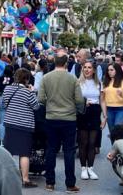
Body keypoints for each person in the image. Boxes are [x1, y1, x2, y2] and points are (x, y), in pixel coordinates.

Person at [38, 51, 85, 193]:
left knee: (51, 149)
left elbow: (40, 99)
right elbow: (79, 100)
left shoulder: (46, 78)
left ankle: (50, 182)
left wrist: (50, 104)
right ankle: (70, 184)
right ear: (66, 63)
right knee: (69, 151)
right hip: (69, 118)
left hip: (51, 117)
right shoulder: (73, 79)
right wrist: (76, 109)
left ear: (54, 63)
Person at [3, 68, 40, 188]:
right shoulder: (27, 92)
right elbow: (36, 106)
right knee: (24, 153)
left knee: (9, 151)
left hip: (10, 123)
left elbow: (4, 104)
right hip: (24, 125)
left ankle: (6, 177)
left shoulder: (7, 89)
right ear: (26, 79)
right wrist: (33, 92)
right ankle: (25, 179)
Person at [76, 61, 107, 180]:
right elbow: (74, 99)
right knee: (83, 142)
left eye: (89, 68)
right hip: (83, 112)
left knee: (92, 143)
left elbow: (102, 100)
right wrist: (83, 103)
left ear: (94, 70)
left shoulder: (99, 83)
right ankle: (83, 168)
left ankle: (91, 168)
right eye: (85, 67)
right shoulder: (78, 83)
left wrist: (105, 116)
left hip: (95, 112)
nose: (87, 70)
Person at [102, 63, 123, 139]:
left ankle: (118, 149)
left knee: (118, 131)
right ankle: (115, 149)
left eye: (111, 70)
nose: (109, 72)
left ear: (117, 71)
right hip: (109, 109)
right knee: (112, 133)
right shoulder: (106, 82)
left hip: (121, 109)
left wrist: (122, 94)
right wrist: (104, 115)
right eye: (108, 70)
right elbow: (103, 100)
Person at [0, 65, 14, 143]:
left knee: (2, 121)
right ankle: (10, 140)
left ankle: (2, 141)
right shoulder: (13, 80)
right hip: (11, 99)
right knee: (11, 121)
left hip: (2, 98)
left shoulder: (0, 79)